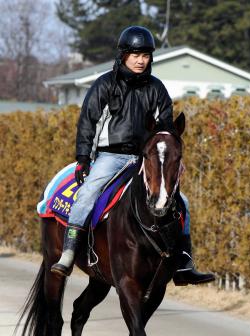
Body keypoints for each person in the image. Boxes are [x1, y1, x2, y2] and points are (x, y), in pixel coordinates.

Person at [51, 25, 215, 286]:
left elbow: (165, 130)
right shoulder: (105, 84)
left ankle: (184, 263)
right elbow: (87, 123)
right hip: (110, 156)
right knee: (87, 194)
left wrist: (171, 159)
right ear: (124, 55)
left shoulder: (157, 89)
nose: (141, 60)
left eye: (146, 55)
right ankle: (69, 253)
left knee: (182, 201)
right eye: (136, 54)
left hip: (145, 159)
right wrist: (83, 158)